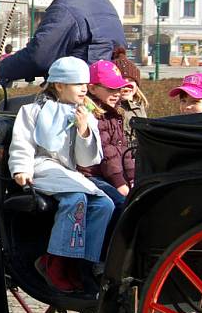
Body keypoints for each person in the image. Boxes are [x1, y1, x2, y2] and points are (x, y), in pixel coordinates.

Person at [8, 56, 114, 293]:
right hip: (41, 167)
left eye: (85, 84)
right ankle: (55, 260)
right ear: (59, 85)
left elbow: (87, 159)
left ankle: (85, 263)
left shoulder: (84, 114)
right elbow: (22, 143)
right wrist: (21, 169)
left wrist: (85, 130)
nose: (84, 89)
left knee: (104, 204)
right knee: (75, 200)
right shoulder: (32, 111)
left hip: (67, 172)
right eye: (78, 84)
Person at [78, 60, 134, 218]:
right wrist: (119, 182)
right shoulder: (94, 114)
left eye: (119, 88)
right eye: (111, 88)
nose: (117, 93)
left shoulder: (113, 113)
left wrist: (131, 177)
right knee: (121, 203)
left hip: (109, 174)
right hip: (92, 174)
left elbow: (123, 150)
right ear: (92, 88)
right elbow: (106, 152)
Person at [112, 48, 147, 144]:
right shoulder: (112, 108)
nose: (126, 83)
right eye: (121, 79)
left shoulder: (140, 105)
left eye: (130, 80)